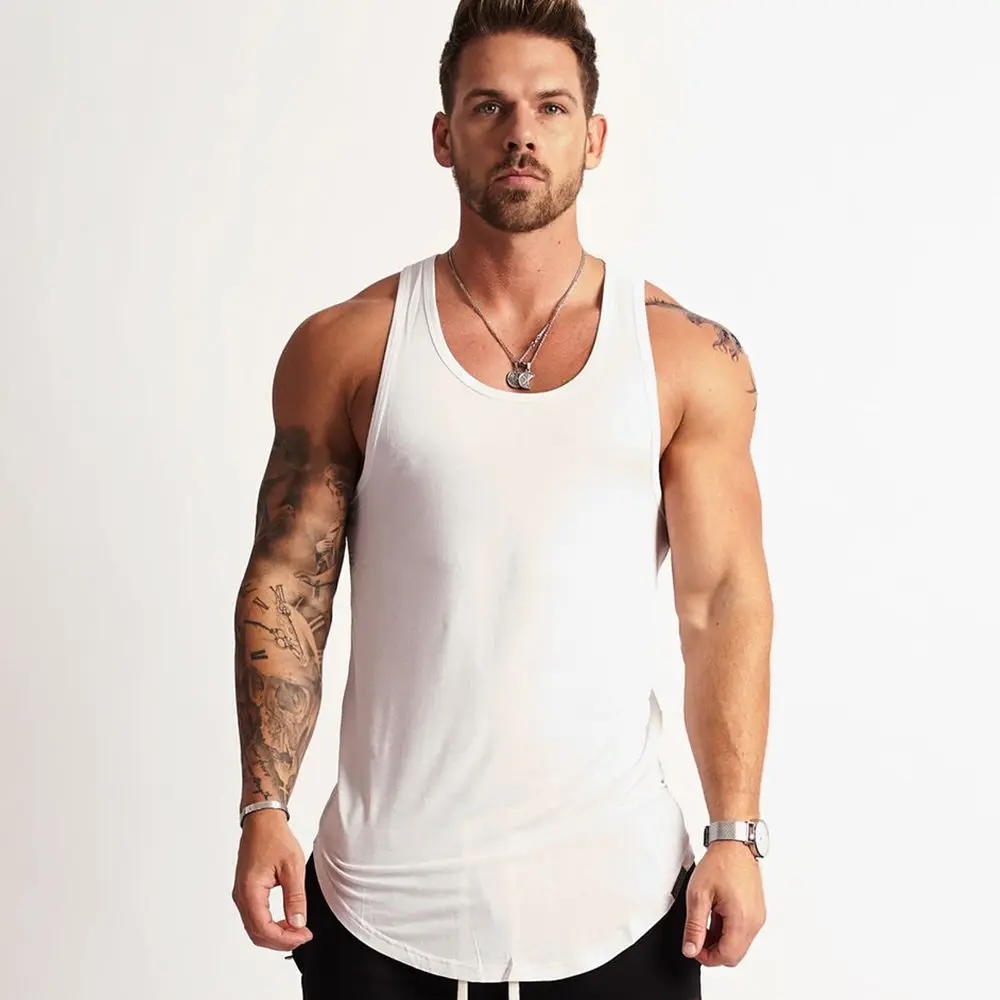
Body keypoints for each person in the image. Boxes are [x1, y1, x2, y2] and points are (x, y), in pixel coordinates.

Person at [230, 1, 772, 997]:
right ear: (445, 136)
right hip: (381, 903)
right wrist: (265, 806)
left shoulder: (683, 357)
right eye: (489, 106)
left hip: (620, 905)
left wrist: (734, 831)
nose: (521, 132)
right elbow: (288, 586)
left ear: (593, 137)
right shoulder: (349, 346)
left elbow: (722, 600)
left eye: (550, 107)